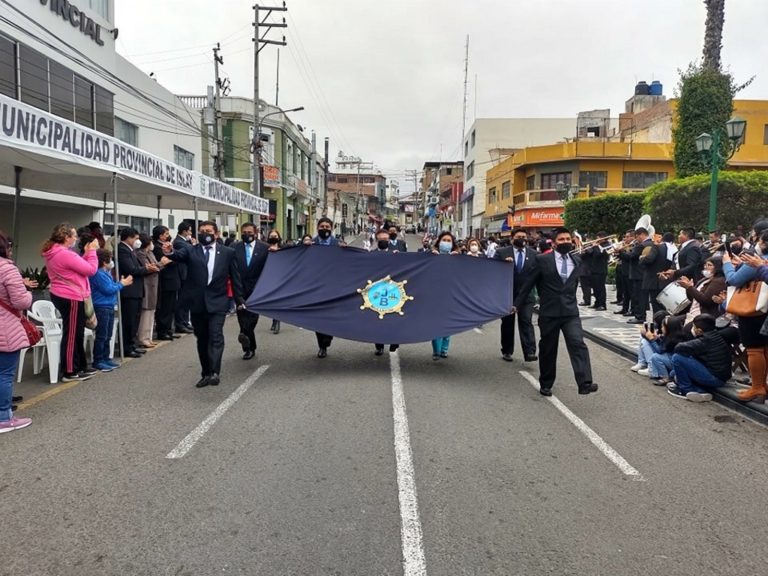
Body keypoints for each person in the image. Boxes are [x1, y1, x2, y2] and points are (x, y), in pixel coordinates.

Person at [514, 227, 597, 396]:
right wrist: (516, 304)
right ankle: (546, 382)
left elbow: (579, 279)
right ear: (553, 243)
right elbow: (528, 284)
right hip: (549, 313)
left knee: (577, 344)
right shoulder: (542, 260)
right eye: (561, 239)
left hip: (570, 313)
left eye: (568, 239)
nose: (566, 242)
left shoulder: (577, 260)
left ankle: (585, 382)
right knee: (548, 349)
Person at [162, 221, 243, 387]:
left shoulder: (228, 252)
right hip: (197, 303)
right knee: (202, 339)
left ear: (216, 233)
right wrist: (170, 251)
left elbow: (235, 278)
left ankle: (215, 372)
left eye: (208, 231)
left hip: (218, 302)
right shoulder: (191, 250)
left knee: (216, 335)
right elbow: (178, 255)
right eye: (202, 231)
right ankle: (205, 372)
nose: (205, 233)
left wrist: (239, 299)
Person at [42, 223, 100, 382]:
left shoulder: (56, 252)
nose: (75, 239)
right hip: (71, 295)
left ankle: (79, 365)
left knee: (76, 332)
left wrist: (87, 254)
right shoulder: (65, 254)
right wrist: (93, 252)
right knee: (72, 334)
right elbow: (90, 270)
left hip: (63, 294)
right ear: (66, 237)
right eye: (73, 236)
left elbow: (79, 266)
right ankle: (69, 370)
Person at [721, 243, 768, 403]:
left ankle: (757, 387)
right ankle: (762, 385)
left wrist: (727, 263)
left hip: (753, 311)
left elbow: (733, 280)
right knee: (763, 349)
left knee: (754, 349)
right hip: (763, 309)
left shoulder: (758, 261)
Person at [0, 231, 33, 433]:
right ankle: (4, 416)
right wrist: (28, 293)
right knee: (4, 373)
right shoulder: (7, 268)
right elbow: (21, 301)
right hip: (5, 327)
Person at [667, 314, 732, 402]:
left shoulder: (705, 340)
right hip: (718, 375)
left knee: (677, 358)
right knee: (673, 373)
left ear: (699, 330)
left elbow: (679, 347)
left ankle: (686, 390)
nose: (692, 329)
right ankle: (700, 391)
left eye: (693, 327)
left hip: (715, 378)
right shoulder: (715, 335)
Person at [495, 228, 537, 362]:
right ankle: (507, 350)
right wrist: (503, 265)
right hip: (507, 295)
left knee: (526, 322)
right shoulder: (501, 252)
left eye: (524, 236)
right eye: (519, 236)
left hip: (526, 296)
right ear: (512, 238)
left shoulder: (534, 254)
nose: (522, 239)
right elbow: (493, 271)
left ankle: (530, 351)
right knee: (508, 323)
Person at [117, 228, 158, 358]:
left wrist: (145, 268)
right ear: (128, 238)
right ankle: (127, 347)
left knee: (134, 320)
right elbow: (131, 269)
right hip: (129, 291)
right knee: (128, 321)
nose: (137, 241)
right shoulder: (122, 250)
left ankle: (132, 344)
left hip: (136, 290)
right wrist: (146, 269)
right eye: (135, 238)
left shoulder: (131, 250)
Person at [90, 249, 132, 371]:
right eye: (110, 259)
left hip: (108, 305)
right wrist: (122, 284)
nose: (112, 262)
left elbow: (111, 287)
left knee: (108, 334)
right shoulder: (98, 274)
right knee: (102, 335)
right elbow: (108, 289)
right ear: (104, 261)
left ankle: (106, 357)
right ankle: (98, 360)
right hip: (101, 306)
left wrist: (119, 284)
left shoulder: (106, 273)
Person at [233, 222, 269, 360]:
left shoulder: (264, 248)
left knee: (252, 316)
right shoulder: (234, 247)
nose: (247, 235)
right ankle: (248, 348)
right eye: (244, 232)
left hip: (257, 289)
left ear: (255, 233)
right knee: (242, 317)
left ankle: (245, 336)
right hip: (239, 288)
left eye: (249, 232)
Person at [313, 217, 340, 358]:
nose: (325, 229)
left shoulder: (338, 245)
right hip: (315, 287)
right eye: (322, 226)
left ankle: (328, 336)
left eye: (327, 227)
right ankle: (322, 347)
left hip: (333, 287)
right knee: (318, 317)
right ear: (317, 228)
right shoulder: (310, 244)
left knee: (330, 315)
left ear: (332, 228)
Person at [371, 228, 401, 355]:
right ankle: (379, 345)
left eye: (386, 239)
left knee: (393, 317)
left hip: (392, 290)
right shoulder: (370, 255)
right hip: (376, 290)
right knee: (377, 318)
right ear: (376, 240)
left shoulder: (395, 253)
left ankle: (394, 341)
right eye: (381, 239)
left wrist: (399, 257)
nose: (383, 241)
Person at [430, 232, 460, 359]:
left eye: (449, 240)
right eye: (444, 240)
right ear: (439, 242)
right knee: (435, 323)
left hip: (451, 296)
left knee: (448, 323)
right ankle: (436, 351)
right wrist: (431, 256)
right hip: (434, 296)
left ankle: (444, 350)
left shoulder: (458, 257)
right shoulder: (431, 255)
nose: (446, 242)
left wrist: (459, 258)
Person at [677, 257, 727, 326]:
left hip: (704, 316)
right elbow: (693, 299)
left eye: (709, 265)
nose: (706, 267)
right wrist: (688, 288)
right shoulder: (704, 280)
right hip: (693, 311)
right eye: (705, 265)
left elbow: (705, 301)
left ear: (717, 267)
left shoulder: (719, 281)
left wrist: (689, 287)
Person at [135, 234, 165, 349]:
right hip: (147, 284)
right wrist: (160, 264)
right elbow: (149, 267)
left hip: (154, 283)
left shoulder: (150, 253)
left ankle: (149, 337)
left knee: (152, 311)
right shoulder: (140, 253)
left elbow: (155, 266)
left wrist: (159, 265)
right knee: (146, 311)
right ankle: (143, 338)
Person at [152, 225, 181, 342]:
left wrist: (172, 257)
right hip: (165, 280)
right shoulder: (157, 247)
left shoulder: (169, 246)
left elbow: (175, 258)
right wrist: (171, 259)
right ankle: (162, 330)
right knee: (164, 307)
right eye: (166, 234)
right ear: (160, 236)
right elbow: (166, 261)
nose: (168, 236)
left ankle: (169, 329)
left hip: (173, 279)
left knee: (171, 306)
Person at [636, 227, 669, 320]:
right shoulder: (669, 248)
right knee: (661, 303)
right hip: (663, 278)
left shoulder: (656, 247)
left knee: (655, 304)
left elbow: (649, 259)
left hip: (653, 279)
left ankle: (657, 322)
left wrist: (641, 258)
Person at [173, 222, 195, 335]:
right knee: (181, 300)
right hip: (182, 274)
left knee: (186, 300)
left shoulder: (186, 242)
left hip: (187, 273)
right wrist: (193, 245)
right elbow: (189, 252)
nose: (191, 233)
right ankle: (180, 323)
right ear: (184, 231)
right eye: (189, 231)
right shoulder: (178, 242)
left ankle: (185, 321)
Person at [584, 232, 610, 310]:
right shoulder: (598, 245)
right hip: (594, 269)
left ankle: (602, 304)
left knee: (600, 288)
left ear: (602, 238)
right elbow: (592, 254)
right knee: (595, 288)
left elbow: (599, 254)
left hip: (601, 270)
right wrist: (586, 248)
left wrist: (595, 246)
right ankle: (597, 302)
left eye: (598, 238)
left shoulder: (607, 245)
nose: (597, 239)